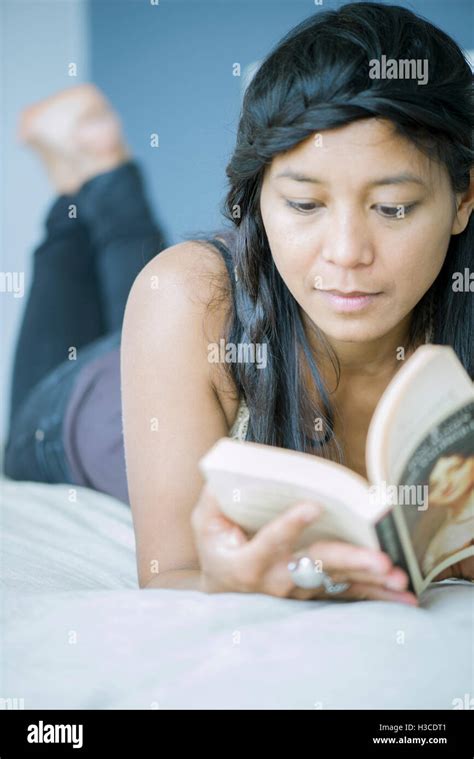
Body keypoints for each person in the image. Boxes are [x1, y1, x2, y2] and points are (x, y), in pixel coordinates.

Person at [4, 83, 168, 504]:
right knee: (157, 334)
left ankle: (80, 183)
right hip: (80, 418)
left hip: (89, 405)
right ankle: (100, 170)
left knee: (150, 334)